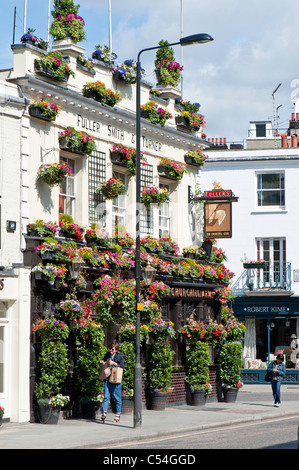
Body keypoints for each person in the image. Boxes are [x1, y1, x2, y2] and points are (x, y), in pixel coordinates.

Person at [100, 342, 124, 423]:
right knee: (106, 396)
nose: (110, 350)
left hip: (116, 379)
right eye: (110, 348)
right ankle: (104, 414)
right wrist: (103, 362)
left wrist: (114, 363)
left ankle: (117, 415)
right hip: (108, 378)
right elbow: (103, 360)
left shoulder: (119, 356)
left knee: (117, 397)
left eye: (112, 349)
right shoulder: (108, 354)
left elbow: (122, 366)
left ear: (116, 350)